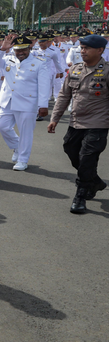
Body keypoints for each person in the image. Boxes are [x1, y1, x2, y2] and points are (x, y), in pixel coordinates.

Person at [48, 34, 109, 214]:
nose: (83, 51)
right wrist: (54, 119)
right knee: (70, 149)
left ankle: (80, 195)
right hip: (76, 121)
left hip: (98, 123)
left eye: (87, 48)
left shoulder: (106, 71)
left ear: (100, 50)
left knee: (87, 157)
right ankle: (94, 181)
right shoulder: (75, 70)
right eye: (81, 48)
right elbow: (64, 96)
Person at [0, 34, 52, 171]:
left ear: (29, 48)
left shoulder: (39, 63)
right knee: (2, 125)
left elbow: (44, 85)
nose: (20, 53)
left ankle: (23, 160)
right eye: (17, 50)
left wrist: (43, 105)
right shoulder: (8, 59)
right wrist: (2, 49)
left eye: (23, 49)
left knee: (26, 132)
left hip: (27, 102)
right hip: (8, 100)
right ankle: (17, 146)